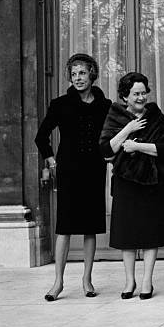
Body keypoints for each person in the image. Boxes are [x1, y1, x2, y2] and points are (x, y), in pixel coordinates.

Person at [35, 53, 111, 301]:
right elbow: (41, 136)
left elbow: (111, 137)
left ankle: (87, 280)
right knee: (65, 227)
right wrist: (51, 159)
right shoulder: (60, 104)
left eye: (82, 73)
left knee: (90, 227)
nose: (77, 78)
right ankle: (58, 282)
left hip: (94, 170)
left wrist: (111, 157)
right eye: (74, 74)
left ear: (92, 74)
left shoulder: (105, 105)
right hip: (68, 171)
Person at [99, 72, 164, 300]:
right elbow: (106, 150)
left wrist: (137, 147)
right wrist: (128, 130)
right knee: (128, 233)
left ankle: (146, 281)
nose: (141, 97)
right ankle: (129, 280)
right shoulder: (115, 115)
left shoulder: (155, 116)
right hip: (126, 182)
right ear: (125, 96)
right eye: (136, 94)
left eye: (144, 93)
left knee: (151, 232)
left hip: (153, 182)